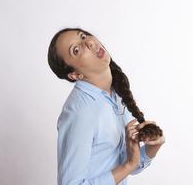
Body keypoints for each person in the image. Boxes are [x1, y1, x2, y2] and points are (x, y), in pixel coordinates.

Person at [48, 27, 165, 185]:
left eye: (83, 36)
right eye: (76, 50)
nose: (88, 43)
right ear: (75, 75)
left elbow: (122, 163)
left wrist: (152, 148)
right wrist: (128, 165)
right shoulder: (79, 112)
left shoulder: (116, 95)